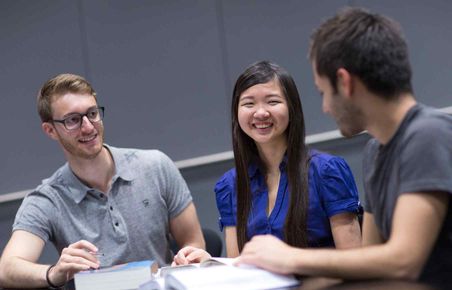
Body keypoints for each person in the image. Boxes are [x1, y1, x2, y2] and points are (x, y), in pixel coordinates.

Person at [237, 7, 452, 287]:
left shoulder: (428, 135)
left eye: (324, 92)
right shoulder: (376, 151)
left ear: (345, 82)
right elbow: (370, 259)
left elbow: (404, 260)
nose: (325, 107)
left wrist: (291, 258)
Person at [0, 74, 205, 288]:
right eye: (72, 120)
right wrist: (54, 272)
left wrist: (187, 258)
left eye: (92, 113)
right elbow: (7, 268)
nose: (88, 127)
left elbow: (193, 241)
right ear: (50, 130)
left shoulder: (156, 166)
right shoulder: (47, 199)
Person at [172, 61, 362, 265]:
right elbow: (239, 267)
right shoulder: (230, 185)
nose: (260, 112)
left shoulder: (327, 171)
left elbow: (354, 263)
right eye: (249, 103)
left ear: (292, 107)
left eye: (272, 102)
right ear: (237, 112)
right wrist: (210, 263)